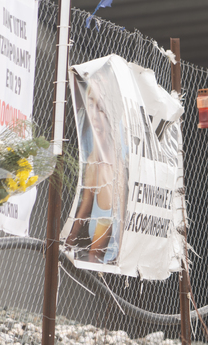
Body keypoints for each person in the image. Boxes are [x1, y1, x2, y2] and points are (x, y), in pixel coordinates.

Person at [65, 67, 129, 264]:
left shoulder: (120, 168)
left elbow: (120, 224)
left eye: (101, 108)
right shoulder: (93, 160)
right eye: (90, 105)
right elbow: (85, 205)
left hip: (109, 257)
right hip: (94, 251)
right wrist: (68, 240)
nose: (94, 115)